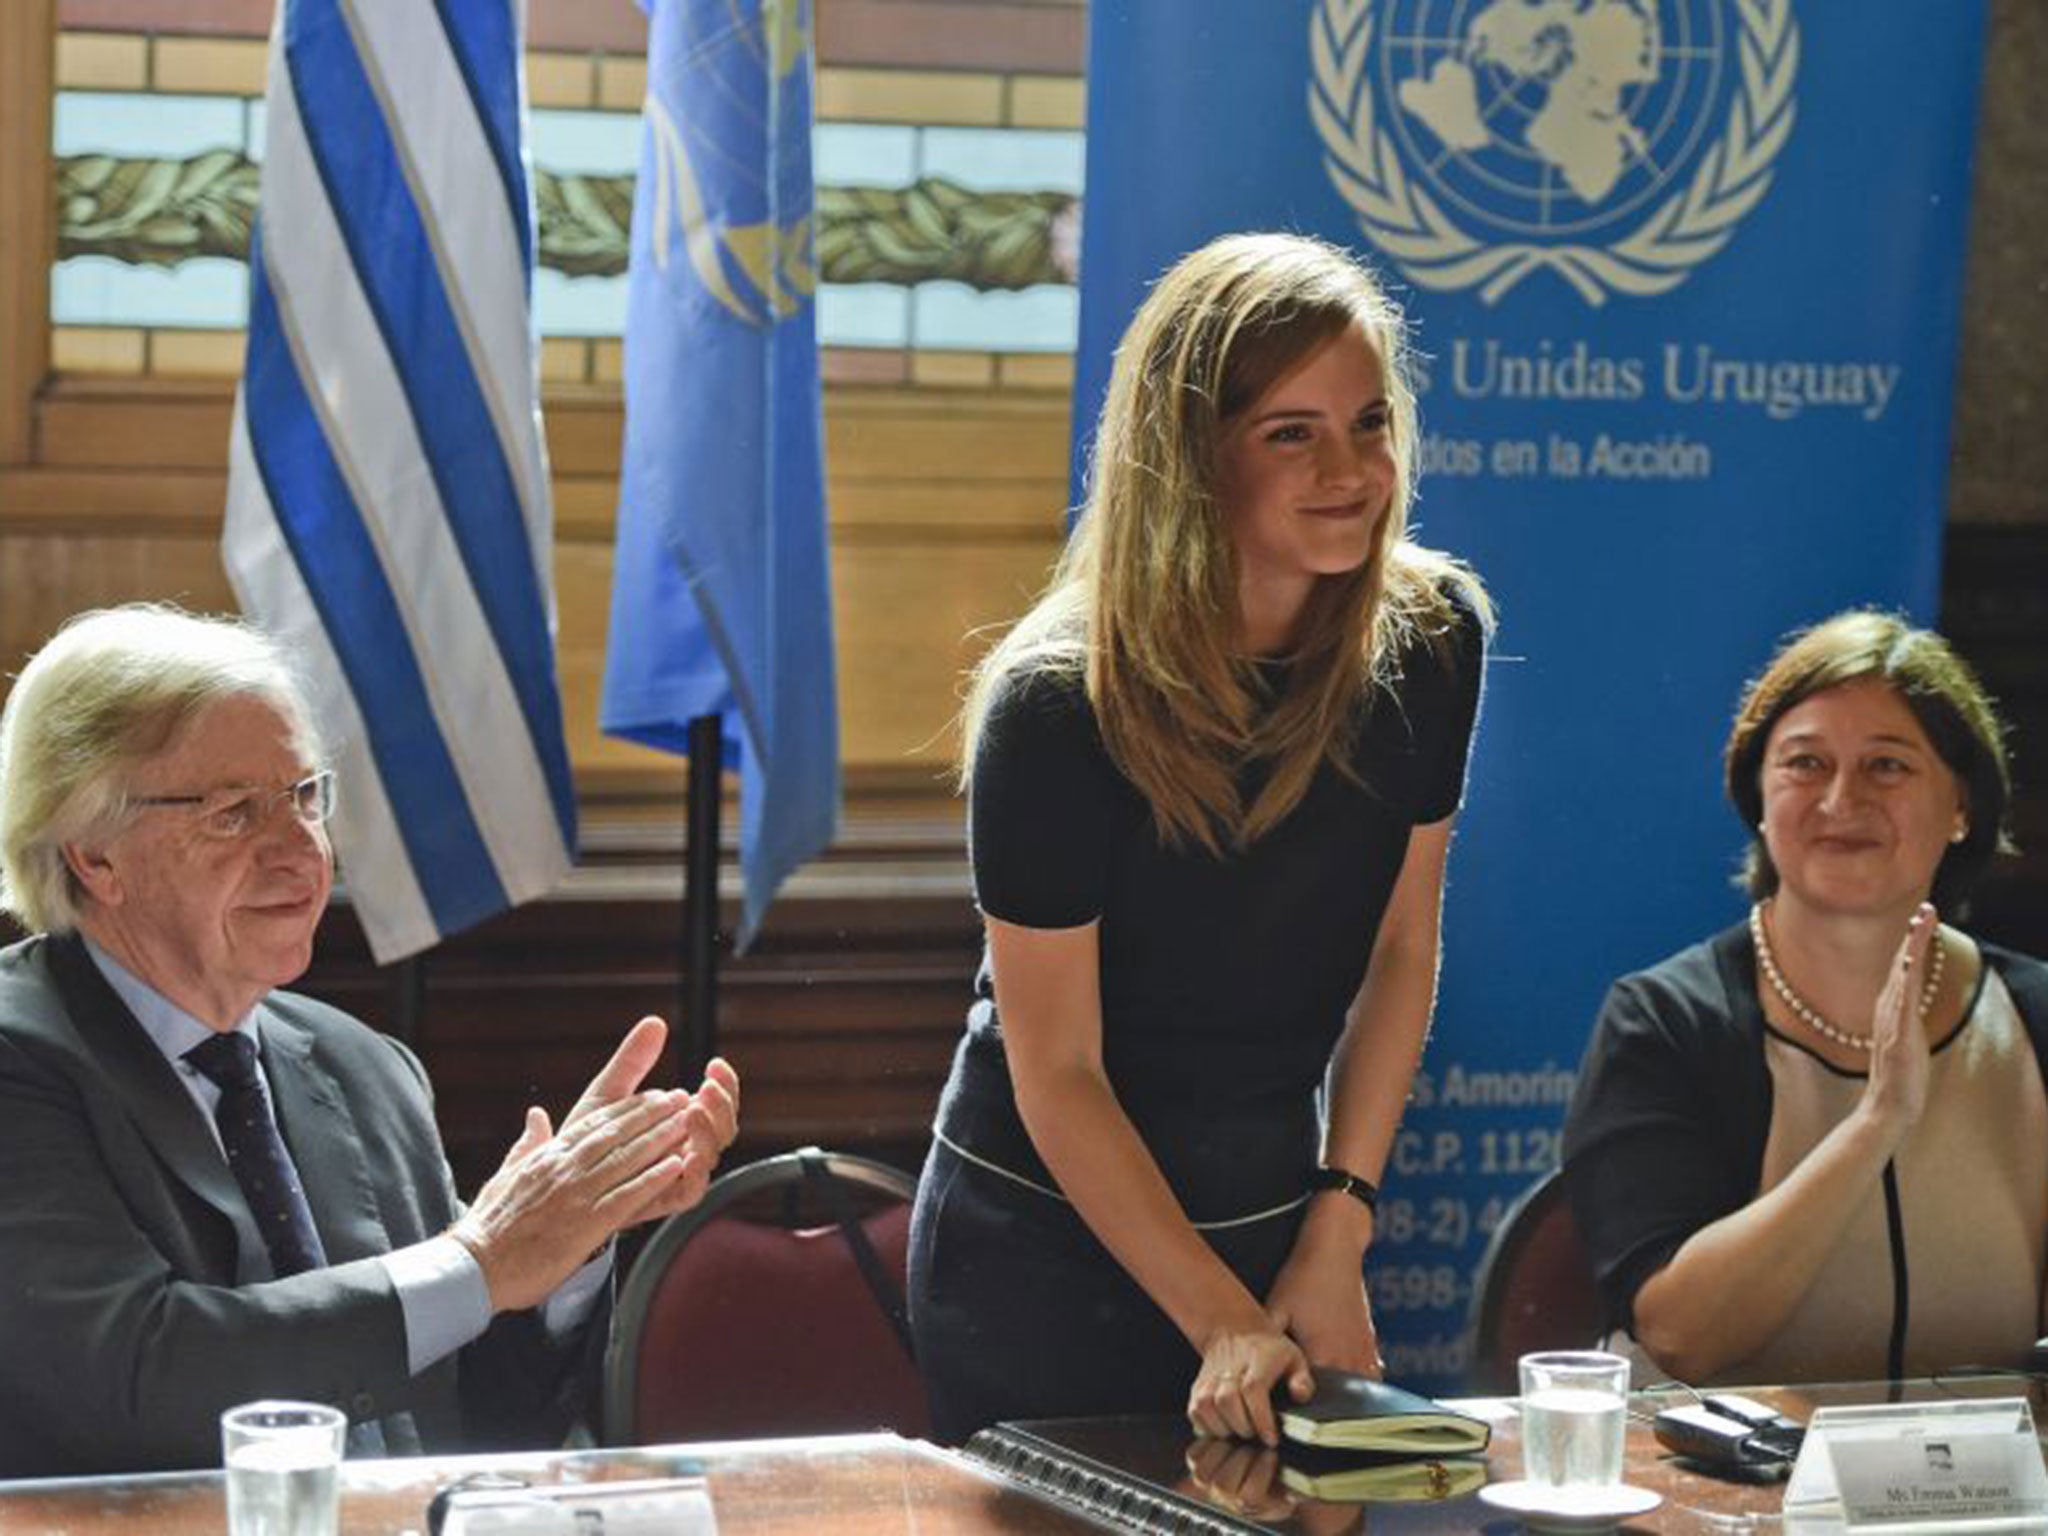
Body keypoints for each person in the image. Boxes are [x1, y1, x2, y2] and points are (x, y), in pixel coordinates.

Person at [907, 232, 1489, 1446]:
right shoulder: (1055, 704)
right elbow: (1055, 1070)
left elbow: (1400, 949)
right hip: (1042, 1241)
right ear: (1190, 457)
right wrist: (1221, 1321)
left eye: (1368, 422)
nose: (1347, 468)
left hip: (1271, 1207)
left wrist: (1338, 1226)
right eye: (1291, 432)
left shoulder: (1431, 639)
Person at [0, 604, 741, 1477]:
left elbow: (485, 1423)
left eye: (306, 796)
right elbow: (138, 1375)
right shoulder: (24, 1057)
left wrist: (564, 1243)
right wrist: (481, 1260)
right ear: (94, 855)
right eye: (236, 813)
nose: (301, 851)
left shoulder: (363, 1069)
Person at [1563, 610, 2047, 1386]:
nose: (1840, 799)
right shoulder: (1665, 1023)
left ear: (1962, 805)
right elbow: (1682, 1337)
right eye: (1805, 764)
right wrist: (1875, 1124)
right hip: (1734, 1494)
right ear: (1757, 796)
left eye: (1888, 766)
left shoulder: (2034, 1018)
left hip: (1997, 1490)